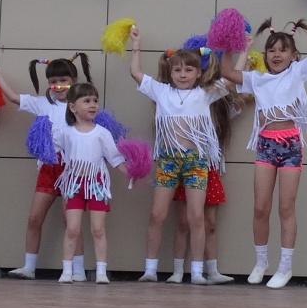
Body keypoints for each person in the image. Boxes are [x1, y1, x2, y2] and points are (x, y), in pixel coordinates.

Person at [221, 18, 307, 289]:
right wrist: (227, 43)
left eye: (283, 50)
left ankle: (285, 267)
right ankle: (261, 262)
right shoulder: (257, 80)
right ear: (265, 55)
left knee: (286, 207)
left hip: (290, 145)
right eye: (271, 50)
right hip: (265, 145)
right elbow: (227, 72)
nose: (277, 54)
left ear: (294, 56)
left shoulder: (298, 73)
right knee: (260, 207)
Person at [130, 26, 229, 284]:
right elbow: (136, 73)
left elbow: (230, 80)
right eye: (177, 70)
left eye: (188, 70)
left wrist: (238, 50)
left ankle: (196, 271)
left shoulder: (204, 93)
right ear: (170, 72)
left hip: (196, 161)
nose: (182, 74)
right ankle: (150, 270)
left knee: (196, 216)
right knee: (157, 214)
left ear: (198, 73)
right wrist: (136, 45)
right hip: (168, 159)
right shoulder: (162, 91)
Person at [0, 53, 94, 280]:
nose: (58, 86)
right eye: (53, 81)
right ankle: (29, 267)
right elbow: (14, 97)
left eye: (64, 80)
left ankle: (78, 270)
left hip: (73, 168)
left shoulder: (82, 105)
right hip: (49, 166)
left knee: (71, 221)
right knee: (34, 218)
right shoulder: (42, 103)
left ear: (74, 80)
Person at [51, 83, 129, 284]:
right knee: (72, 229)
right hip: (74, 185)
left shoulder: (102, 133)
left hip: (97, 185)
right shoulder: (65, 132)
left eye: (95, 100)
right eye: (86, 101)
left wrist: (131, 173)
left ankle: (101, 271)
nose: (93, 104)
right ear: (73, 107)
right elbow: (49, 149)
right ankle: (67, 271)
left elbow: (115, 158)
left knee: (98, 229)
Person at [166, 92, 242, 285]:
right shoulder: (181, 106)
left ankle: (212, 271)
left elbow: (239, 101)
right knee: (183, 222)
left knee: (210, 223)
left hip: (208, 169)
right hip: (186, 167)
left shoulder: (218, 110)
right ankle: (177, 271)